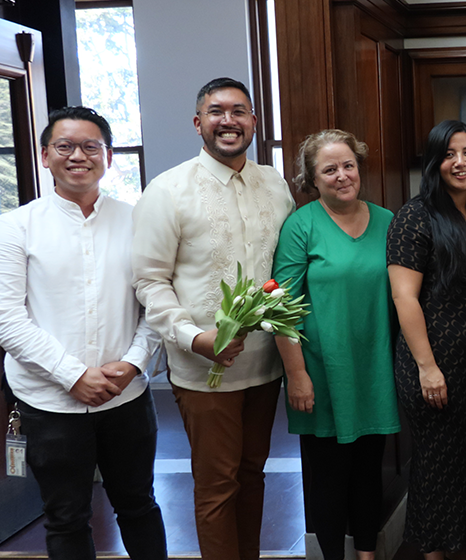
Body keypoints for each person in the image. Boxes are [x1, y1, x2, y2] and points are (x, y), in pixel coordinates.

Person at [132, 77, 295, 560]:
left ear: (253, 121)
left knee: (252, 474)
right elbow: (149, 282)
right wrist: (194, 338)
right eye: (217, 111)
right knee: (218, 484)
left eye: (239, 111)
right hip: (204, 370)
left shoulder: (275, 183)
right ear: (198, 122)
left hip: (265, 363)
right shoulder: (168, 191)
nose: (229, 121)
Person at [0, 106, 166, 560]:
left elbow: (157, 304)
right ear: (44, 155)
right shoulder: (16, 227)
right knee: (67, 517)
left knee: (139, 505)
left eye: (91, 146)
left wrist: (133, 362)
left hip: (125, 396)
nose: (79, 155)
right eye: (65, 146)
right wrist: (73, 375)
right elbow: (8, 320)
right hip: (49, 401)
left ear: (108, 156)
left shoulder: (136, 221)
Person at [272, 129, 400, 560]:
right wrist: (297, 375)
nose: (342, 176)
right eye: (330, 169)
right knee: (328, 479)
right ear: (312, 178)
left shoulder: (388, 221)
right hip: (321, 374)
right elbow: (281, 307)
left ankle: (366, 553)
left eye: (348, 165)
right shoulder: (300, 225)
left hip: (376, 370)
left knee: (368, 472)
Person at [387, 120, 466, 560]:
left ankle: (459, 544)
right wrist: (426, 366)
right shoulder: (414, 216)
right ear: (434, 163)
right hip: (432, 362)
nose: (460, 162)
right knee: (437, 463)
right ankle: (433, 553)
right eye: (449, 154)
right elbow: (404, 298)